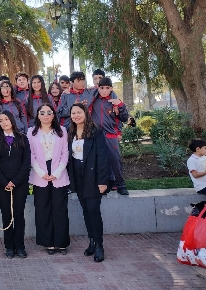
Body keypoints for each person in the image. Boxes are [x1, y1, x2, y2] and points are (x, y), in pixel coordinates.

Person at [67, 103, 110, 263]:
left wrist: (102, 181)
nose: (76, 115)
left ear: (85, 113)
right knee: (85, 210)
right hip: (77, 178)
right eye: (73, 113)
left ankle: (99, 245)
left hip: (93, 177)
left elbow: (103, 157)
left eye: (79, 112)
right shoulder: (70, 132)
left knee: (93, 210)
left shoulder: (96, 132)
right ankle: (91, 241)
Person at [27, 103, 70, 254]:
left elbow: (65, 153)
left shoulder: (62, 131)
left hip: (59, 172)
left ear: (53, 115)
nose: (46, 115)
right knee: (43, 209)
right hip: (40, 174)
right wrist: (40, 172)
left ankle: (61, 243)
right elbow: (30, 154)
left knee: (60, 209)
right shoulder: (31, 132)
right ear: (38, 115)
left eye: (49, 112)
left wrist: (57, 172)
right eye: (42, 112)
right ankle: (49, 243)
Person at [0, 111, 31, 259]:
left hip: (19, 184)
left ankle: (20, 246)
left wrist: (15, 181)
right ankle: (9, 246)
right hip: (2, 184)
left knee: (18, 215)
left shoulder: (22, 139)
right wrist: (4, 181)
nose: (4, 122)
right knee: (7, 215)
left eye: (6, 119)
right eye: (1, 121)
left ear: (12, 120)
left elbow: (26, 163)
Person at [91, 77, 129, 195]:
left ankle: (121, 185)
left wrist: (121, 105)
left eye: (107, 88)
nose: (104, 90)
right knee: (97, 161)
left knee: (115, 160)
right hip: (96, 136)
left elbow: (124, 118)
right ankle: (102, 185)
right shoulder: (94, 100)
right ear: (98, 88)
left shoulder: (115, 101)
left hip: (110, 135)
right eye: (102, 88)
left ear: (111, 88)